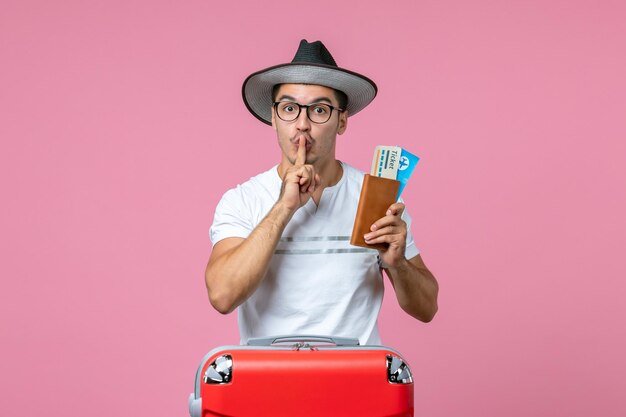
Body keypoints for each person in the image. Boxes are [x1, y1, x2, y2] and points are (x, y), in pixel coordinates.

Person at [205, 39, 438, 345]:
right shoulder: (243, 200)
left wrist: (398, 264)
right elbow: (222, 296)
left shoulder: (378, 198)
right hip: (269, 382)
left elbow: (427, 308)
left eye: (319, 110)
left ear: (341, 121)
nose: (302, 125)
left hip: (357, 381)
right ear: (274, 118)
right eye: (289, 108)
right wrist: (284, 208)